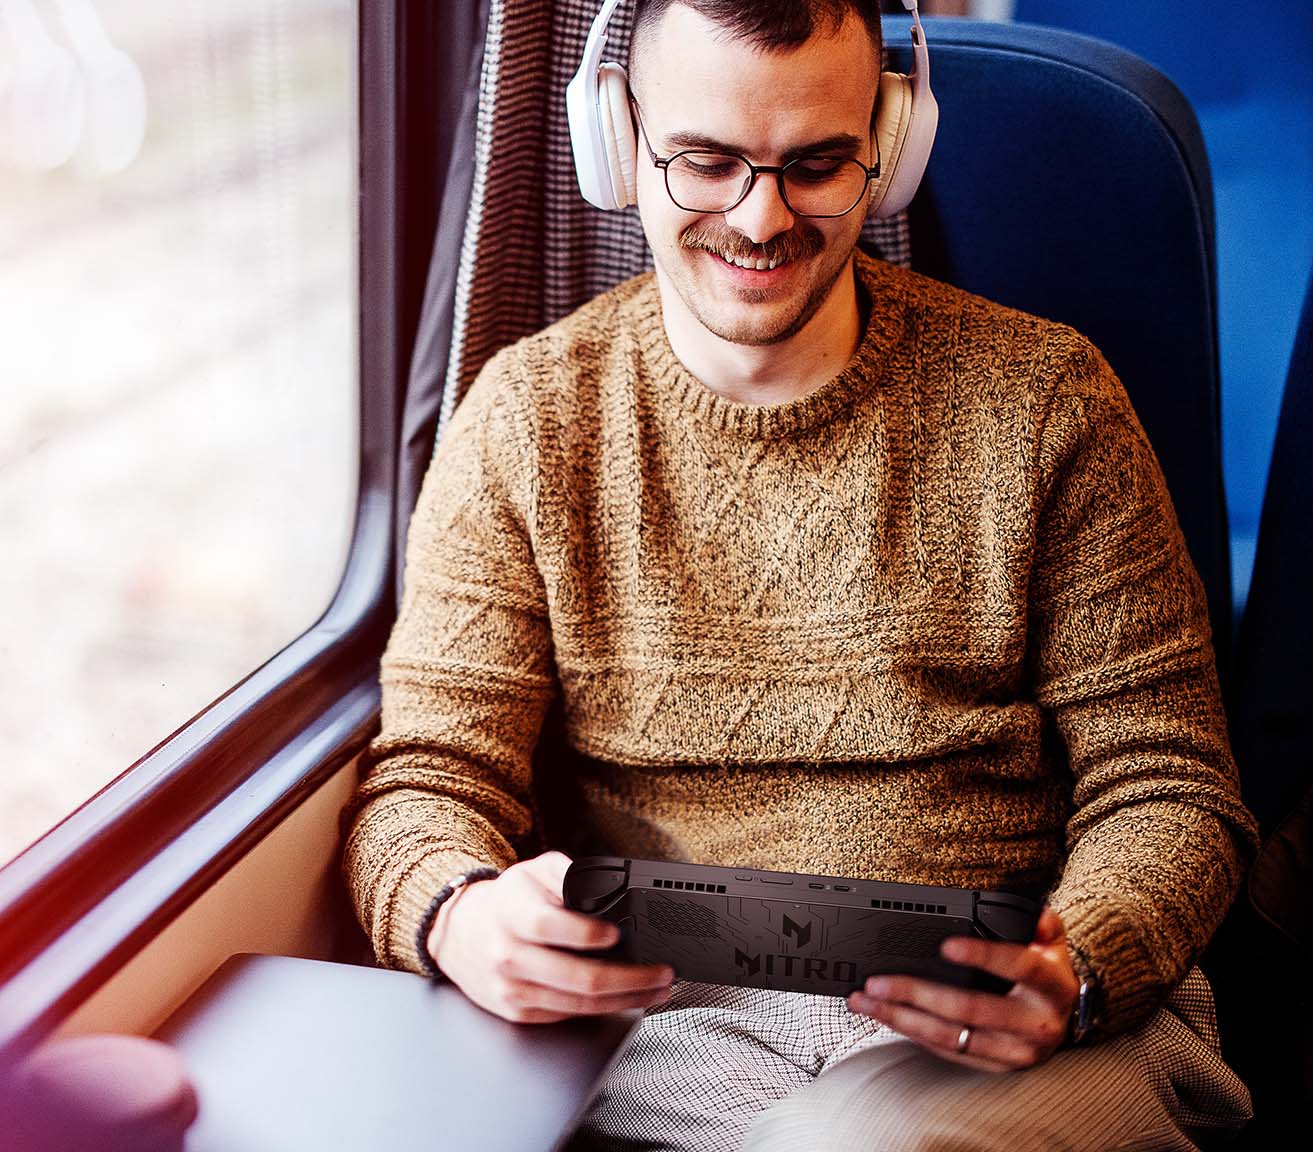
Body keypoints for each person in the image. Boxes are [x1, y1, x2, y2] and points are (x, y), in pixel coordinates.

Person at [336, 1, 1259, 1148]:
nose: (760, 218)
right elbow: (423, 785)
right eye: (707, 162)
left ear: (892, 143)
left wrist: (1076, 965)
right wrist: (457, 915)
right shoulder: (527, 422)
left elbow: (1173, 793)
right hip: (672, 1035)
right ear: (619, 141)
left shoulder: (1045, 402)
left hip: (1017, 1030)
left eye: (815, 165)